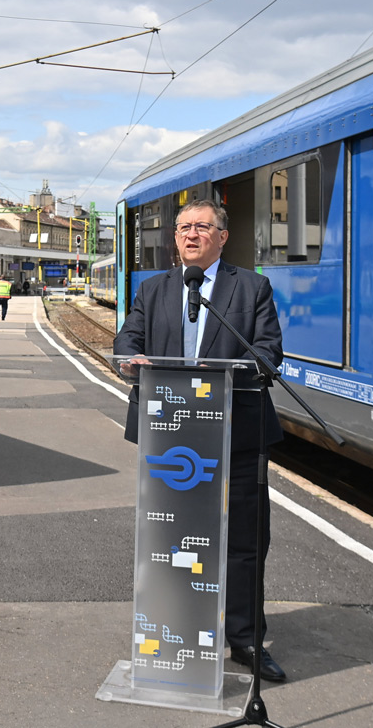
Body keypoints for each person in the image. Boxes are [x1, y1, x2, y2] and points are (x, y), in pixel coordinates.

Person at [113, 198, 287, 683]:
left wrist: (240, 369)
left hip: (238, 436)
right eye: (183, 227)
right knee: (170, 539)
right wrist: (131, 361)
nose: (190, 235)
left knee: (245, 544)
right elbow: (129, 341)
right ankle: (176, 632)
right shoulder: (153, 290)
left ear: (222, 237)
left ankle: (246, 641)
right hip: (171, 440)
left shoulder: (251, 288)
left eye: (202, 228)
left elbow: (270, 353)